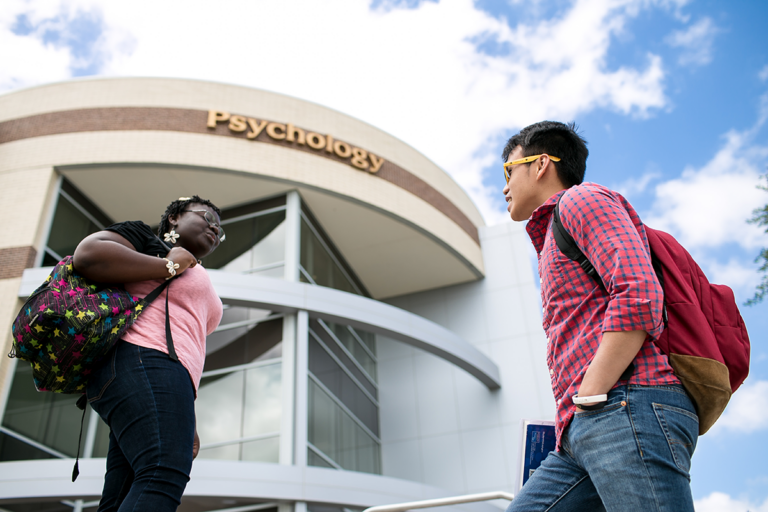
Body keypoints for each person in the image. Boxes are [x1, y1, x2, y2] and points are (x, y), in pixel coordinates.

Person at [502, 122, 698, 511]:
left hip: (624, 405)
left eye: (509, 170)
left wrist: (590, 395)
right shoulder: (549, 240)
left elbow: (639, 294)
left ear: (541, 164)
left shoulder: (581, 201)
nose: (504, 186)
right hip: (582, 429)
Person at [73, 196, 225, 511]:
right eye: (207, 216)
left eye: (220, 228)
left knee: (121, 494)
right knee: (164, 472)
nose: (214, 226)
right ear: (174, 218)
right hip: (141, 358)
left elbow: (187, 344)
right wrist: (170, 264)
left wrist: (187, 410)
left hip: (161, 376)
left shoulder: (198, 270)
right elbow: (88, 254)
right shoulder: (146, 238)